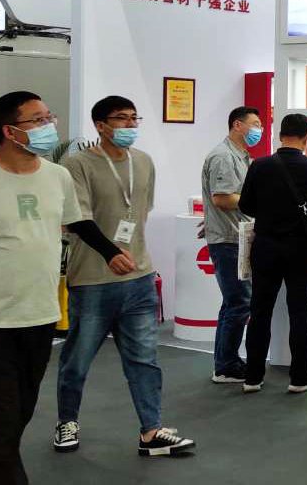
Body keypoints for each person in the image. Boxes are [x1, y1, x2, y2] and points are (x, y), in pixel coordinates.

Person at [0, 91, 137, 484]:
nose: (50, 126)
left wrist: (110, 252)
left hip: (39, 317)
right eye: (38, 120)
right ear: (10, 131)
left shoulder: (57, 177)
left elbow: (76, 222)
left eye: (50, 117)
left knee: (18, 416)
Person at [55, 96, 195, 457]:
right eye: (121, 118)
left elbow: (141, 211)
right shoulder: (76, 164)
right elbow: (78, 218)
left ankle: (151, 431)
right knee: (78, 358)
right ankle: (67, 422)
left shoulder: (143, 162)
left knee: (144, 358)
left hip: (139, 277)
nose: (130, 125)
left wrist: (132, 255)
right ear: (101, 125)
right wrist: (111, 252)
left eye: (134, 118)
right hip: (93, 279)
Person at [238, 113, 307, 394]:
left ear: (280, 135)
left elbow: (245, 205)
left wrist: (269, 213)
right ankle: (299, 377)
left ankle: (252, 377)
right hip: (300, 249)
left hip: (265, 246)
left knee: (259, 311)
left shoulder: (259, 165)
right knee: (299, 312)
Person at [201, 106, 263, 384]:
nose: (259, 129)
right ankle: (226, 366)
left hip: (237, 235)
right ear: (238, 125)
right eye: (255, 124)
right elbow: (223, 198)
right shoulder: (224, 156)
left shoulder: (242, 156)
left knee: (233, 303)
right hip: (228, 239)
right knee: (239, 303)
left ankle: (226, 361)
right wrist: (256, 199)